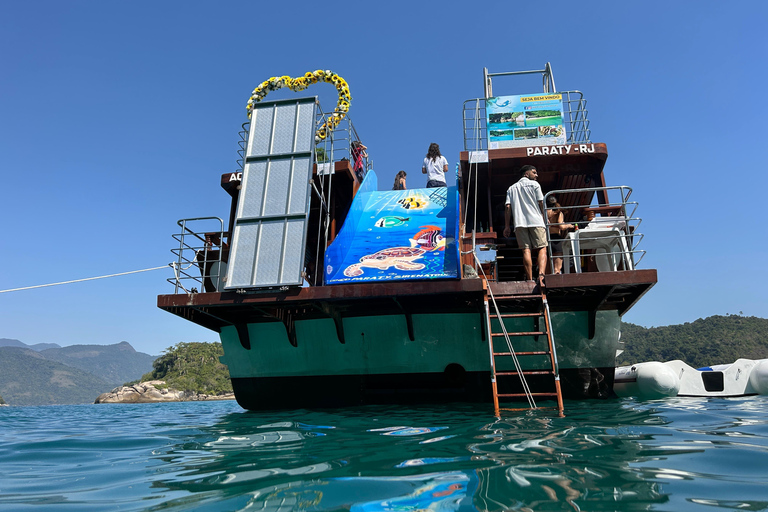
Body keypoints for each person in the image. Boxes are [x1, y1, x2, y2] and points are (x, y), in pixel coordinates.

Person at [503, 165, 548, 283]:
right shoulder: (535, 185)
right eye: (534, 172)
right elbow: (541, 202)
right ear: (526, 174)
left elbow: (508, 207)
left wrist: (507, 226)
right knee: (542, 248)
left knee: (526, 250)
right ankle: (541, 275)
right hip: (536, 221)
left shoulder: (511, 188)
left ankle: (529, 279)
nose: (536, 175)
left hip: (519, 223)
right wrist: (544, 217)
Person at [546, 195, 575, 274]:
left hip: (546, 238)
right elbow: (561, 226)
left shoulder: (543, 212)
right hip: (556, 239)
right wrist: (568, 225)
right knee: (557, 269)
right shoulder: (558, 212)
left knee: (548, 267)